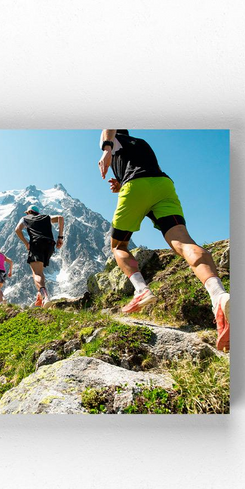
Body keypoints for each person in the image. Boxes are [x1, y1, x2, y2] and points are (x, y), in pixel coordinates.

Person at [98, 129, 230, 351]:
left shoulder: (112, 139)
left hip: (136, 187)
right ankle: (219, 296)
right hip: (162, 185)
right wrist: (120, 184)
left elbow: (107, 127)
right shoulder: (140, 143)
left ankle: (141, 291)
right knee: (183, 242)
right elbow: (140, 170)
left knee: (118, 246)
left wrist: (106, 150)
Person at [14, 204, 64, 308]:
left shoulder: (25, 218)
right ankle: (39, 299)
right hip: (50, 245)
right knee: (40, 272)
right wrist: (60, 237)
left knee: (36, 273)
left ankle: (45, 297)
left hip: (36, 244)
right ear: (38, 213)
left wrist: (26, 243)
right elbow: (60, 218)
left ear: (28, 212)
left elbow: (17, 230)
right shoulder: (45, 217)